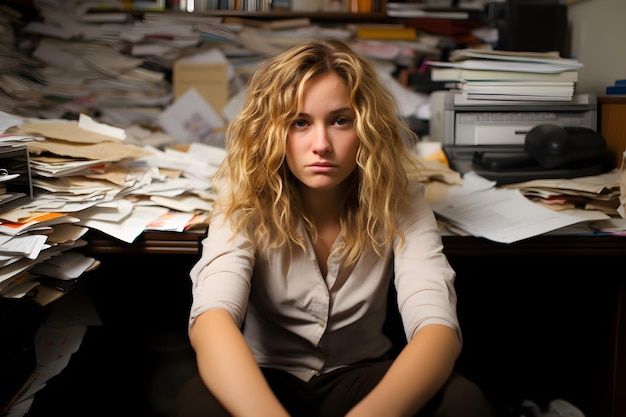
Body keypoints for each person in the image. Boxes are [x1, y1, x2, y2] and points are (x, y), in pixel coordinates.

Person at [172, 38, 495, 417]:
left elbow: (437, 329)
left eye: (341, 121)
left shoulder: (400, 198)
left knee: (464, 401)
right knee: (196, 403)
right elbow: (212, 318)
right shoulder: (244, 196)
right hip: (266, 377)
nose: (321, 144)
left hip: (360, 377)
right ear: (271, 131)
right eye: (299, 123)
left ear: (367, 128)